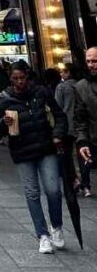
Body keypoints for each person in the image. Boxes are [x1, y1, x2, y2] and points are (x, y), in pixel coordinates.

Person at [0, 61, 68, 254]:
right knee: (32, 192)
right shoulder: (4, 99)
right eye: (15, 79)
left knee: (53, 190)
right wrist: (4, 122)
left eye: (22, 78)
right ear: (10, 79)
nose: (19, 82)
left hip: (45, 147)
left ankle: (57, 227)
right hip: (22, 151)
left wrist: (58, 135)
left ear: (28, 76)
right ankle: (42, 234)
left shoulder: (41, 93)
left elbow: (59, 115)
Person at [57, 64, 87, 196]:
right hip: (83, 126)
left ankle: (75, 179)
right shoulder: (82, 85)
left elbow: (58, 107)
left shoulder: (62, 87)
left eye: (63, 71)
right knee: (83, 155)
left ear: (68, 73)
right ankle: (86, 184)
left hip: (67, 126)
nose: (61, 74)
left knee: (68, 155)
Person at [74, 48, 97, 198]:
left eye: (94, 61)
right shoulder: (81, 87)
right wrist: (82, 141)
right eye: (88, 61)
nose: (90, 65)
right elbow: (80, 118)